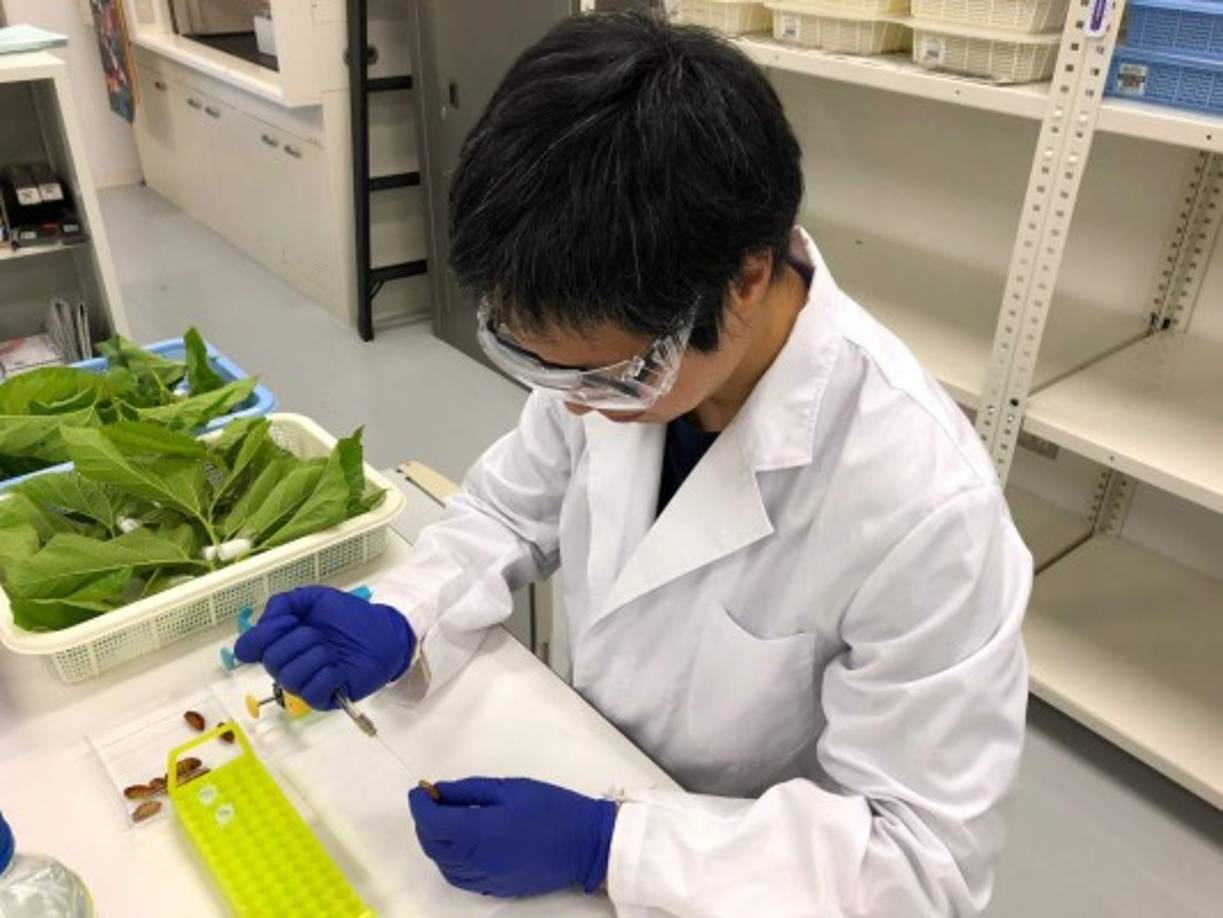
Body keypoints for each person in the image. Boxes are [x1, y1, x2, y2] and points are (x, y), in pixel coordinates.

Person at [235, 11, 1031, 916]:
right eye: (533, 363)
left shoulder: (926, 508)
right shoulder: (623, 350)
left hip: (744, 877)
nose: (573, 404)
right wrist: (406, 618)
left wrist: (614, 846)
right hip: (590, 759)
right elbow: (510, 510)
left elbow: (921, 867)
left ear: (745, 276)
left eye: (603, 374)